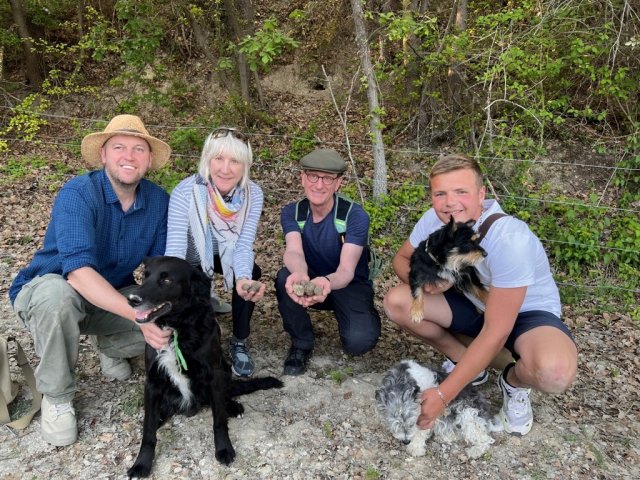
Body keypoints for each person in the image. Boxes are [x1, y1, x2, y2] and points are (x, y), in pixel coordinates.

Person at [383, 153, 577, 436]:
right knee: (398, 302)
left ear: (481, 194)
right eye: (440, 193)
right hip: (473, 303)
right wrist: (430, 283)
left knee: (555, 373)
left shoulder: (509, 238)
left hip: (527, 314)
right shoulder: (437, 220)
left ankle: (513, 382)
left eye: (461, 191)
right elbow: (401, 259)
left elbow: (496, 330)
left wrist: (442, 394)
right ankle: (467, 362)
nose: (450, 202)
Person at [9, 114, 173, 446]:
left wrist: (161, 308)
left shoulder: (158, 201)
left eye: (139, 149)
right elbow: (79, 275)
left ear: (149, 159)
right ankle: (57, 398)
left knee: (175, 318)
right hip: (51, 288)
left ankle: (110, 347)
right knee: (58, 299)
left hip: (112, 294)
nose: (129, 156)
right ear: (103, 155)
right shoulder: (79, 193)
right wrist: (138, 316)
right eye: (119, 148)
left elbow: (158, 272)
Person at [164, 127, 265, 378]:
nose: (225, 168)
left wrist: (242, 279)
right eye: (218, 158)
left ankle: (239, 340)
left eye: (235, 161)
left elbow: (243, 246)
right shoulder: (185, 192)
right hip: (191, 258)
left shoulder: (254, 195)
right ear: (207, 159)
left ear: (246, 165)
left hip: (226, 253)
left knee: (251, 272)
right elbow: (175, 254)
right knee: (202, 325)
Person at [275, 148, 381, 375]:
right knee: (285, 276)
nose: (319, 185)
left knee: (359, 343)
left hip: (346, 285)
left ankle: (363, 315)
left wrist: (325, 282)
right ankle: (301, 343)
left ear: (338, 182)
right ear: (302, 178)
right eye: (313, 176)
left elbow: (345, 270)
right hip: (311, 282)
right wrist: (300, 275)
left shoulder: (355, 216)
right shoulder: (292, 212)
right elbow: (293, 251)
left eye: (328, 178)